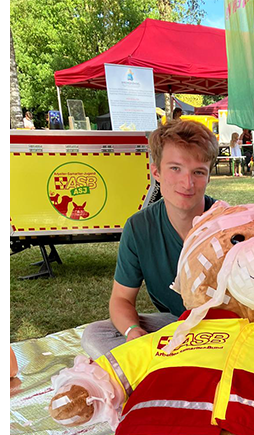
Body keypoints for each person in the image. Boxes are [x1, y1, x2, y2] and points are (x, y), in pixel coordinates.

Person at [81, 120, 220, 360]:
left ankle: (158, 370)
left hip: (227, 329)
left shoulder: (230, 224)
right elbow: (121, 299)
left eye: (198, 172)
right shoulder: (139, 227)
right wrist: (133, 332)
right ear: (156, 172)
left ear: (208, 176)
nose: (187, 183)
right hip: (177, 324)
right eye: (175, 168)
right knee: (96, 333)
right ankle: (171, 367)